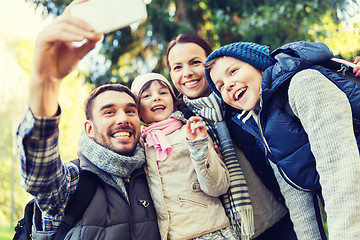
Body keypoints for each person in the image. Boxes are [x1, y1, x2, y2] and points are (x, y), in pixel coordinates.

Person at [15, 0, 160, 239]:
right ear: (89, 129)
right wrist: (47, 80)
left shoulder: (155, 175)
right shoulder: (74, 180)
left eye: (131, 111)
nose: (123, 118)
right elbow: (39, 176)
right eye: (109, 112)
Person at [204, 41, 360, 240]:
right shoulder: (261, 122)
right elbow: (296, 195)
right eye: (220, 86)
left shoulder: (303, 83)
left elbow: (339, 167)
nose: (228, 85)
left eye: (233, 71)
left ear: (257, 65)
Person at [166, 33, 296, 240]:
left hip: (282, 212)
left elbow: (283, 76)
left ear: (210, 64)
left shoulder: (240, 95)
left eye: (195, 62)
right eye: (177, 67)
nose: (187, 73)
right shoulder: (176, 124)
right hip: (233, 231)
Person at [130, 72, 236, 240]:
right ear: (138, 110)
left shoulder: (192, 131)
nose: (156, 98)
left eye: (163, 92)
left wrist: (199, 147)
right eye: (147, 95)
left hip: (210, 230)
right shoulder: (139, 145)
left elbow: (218, 187)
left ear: (174, 101)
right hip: (171, 235)